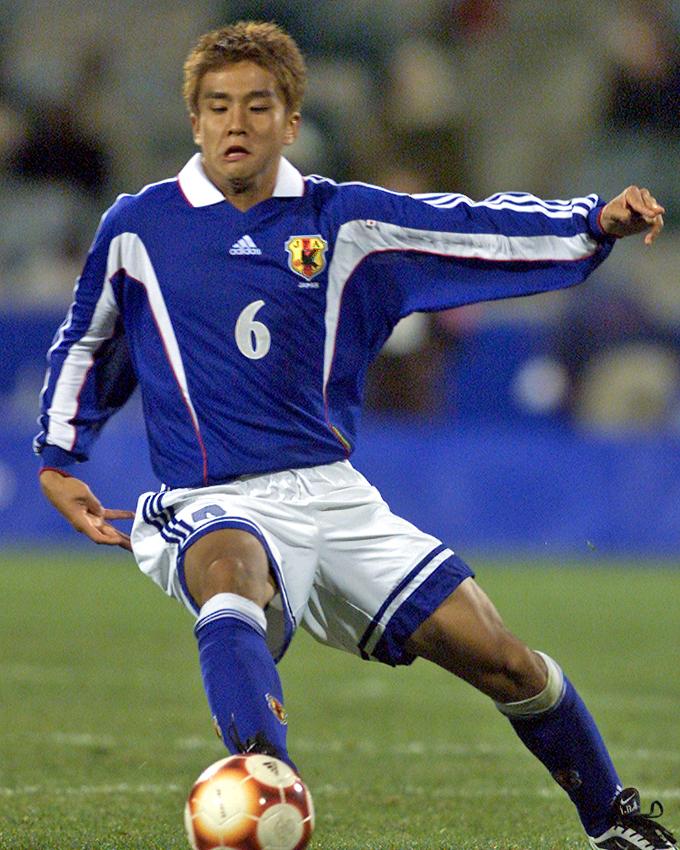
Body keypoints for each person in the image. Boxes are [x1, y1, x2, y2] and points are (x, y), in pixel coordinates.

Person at [35, 21, 675, 850]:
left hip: (333, 496)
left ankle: (613, 820)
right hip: (209, 496)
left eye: (257, 105)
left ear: (292, 120)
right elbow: (88, 340)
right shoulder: (139, 226)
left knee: (504, 660)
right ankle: (267, 778)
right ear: (193, 120)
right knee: (230, 573)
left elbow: (470, 229)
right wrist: (57, 459)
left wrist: (590, 224)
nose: (236, 123)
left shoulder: (343, 222)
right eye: (218, 106)